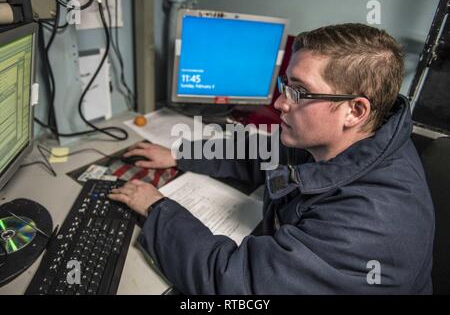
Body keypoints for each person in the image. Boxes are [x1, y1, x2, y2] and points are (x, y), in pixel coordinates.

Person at [109, 23, 435, 294]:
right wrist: (180, 155)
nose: (280, 103)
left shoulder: (370, 226)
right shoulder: (336, 140)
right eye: (285, 85)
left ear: (355, 110)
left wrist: (157, 209)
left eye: (298, 92)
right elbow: (261, 155)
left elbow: (235, 285)